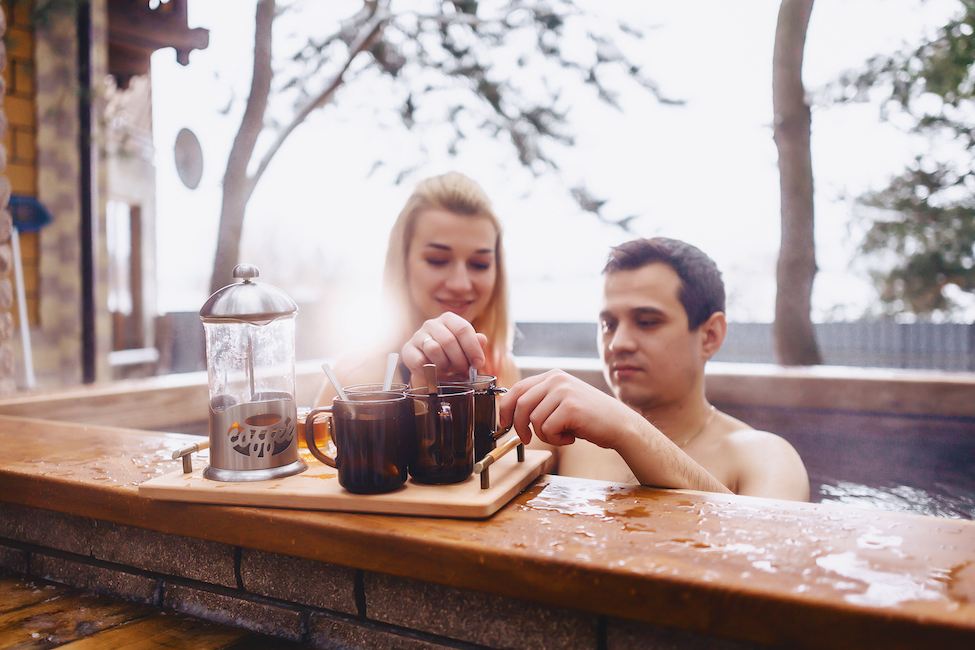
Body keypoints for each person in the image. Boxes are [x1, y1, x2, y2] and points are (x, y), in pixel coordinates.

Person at [403, 236, 809, 501]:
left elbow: (770, 562)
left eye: (647, 321)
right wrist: (442, 394)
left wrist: (628, 430)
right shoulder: (559, 441)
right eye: (608, 324)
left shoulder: (763, 455)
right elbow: (458, 498)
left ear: (710, 335)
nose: (618, 343)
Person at [316, 172, 519, 405]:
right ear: (402, 263)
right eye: (437, 260)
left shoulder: (503, 368)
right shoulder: (358, 378)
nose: (460, 284)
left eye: (479, 264)